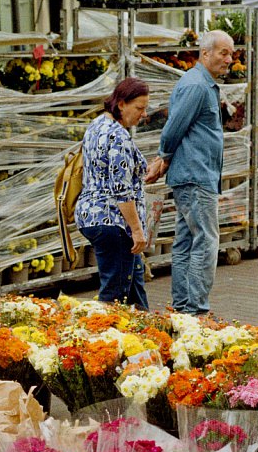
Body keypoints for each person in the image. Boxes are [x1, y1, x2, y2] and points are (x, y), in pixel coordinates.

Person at [146, 30, 234, 316]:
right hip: (196, 176)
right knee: (206, 241)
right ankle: (196, 310)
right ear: (205, 53)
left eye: (231, 54)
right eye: (224, 53)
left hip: (193, 174)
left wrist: (166, 157)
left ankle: (184, 308)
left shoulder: (200, 83)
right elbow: (174, 126)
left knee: (186, 241)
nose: (229, 59)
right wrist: (163, 155)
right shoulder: (197, 85)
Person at [74, 77, 151, 309]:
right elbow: (121, 190)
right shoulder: (117, 136)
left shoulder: (97, 124)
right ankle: (102, 340)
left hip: (91, 215)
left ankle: (149, 333)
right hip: (112, 221)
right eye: (139, 108)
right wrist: (137, 230)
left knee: (135, 287)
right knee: (114, 296)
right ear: (121, 104)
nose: (144, 114)